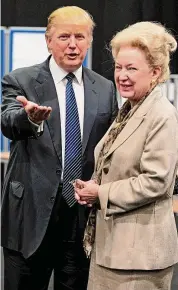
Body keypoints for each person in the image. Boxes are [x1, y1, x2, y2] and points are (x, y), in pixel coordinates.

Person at [1, 6, 118, 290]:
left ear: (90, 41)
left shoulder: (104, 88)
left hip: (80, 216)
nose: (72, 44)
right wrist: (28, 117)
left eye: (80, 36)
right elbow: (7, 121)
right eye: (64, 36)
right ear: (48, 40)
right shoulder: (21, 79)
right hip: (29, 216)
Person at [74, 21, 178, 290]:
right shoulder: (130, 109)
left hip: (138, 258)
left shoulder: (161, 114)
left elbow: (156, 182)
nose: (122, 75)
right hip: (113, 249)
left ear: (155, 73)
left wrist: (101, 193)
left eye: (132, 68)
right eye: (119, 67)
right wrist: (92, 189)